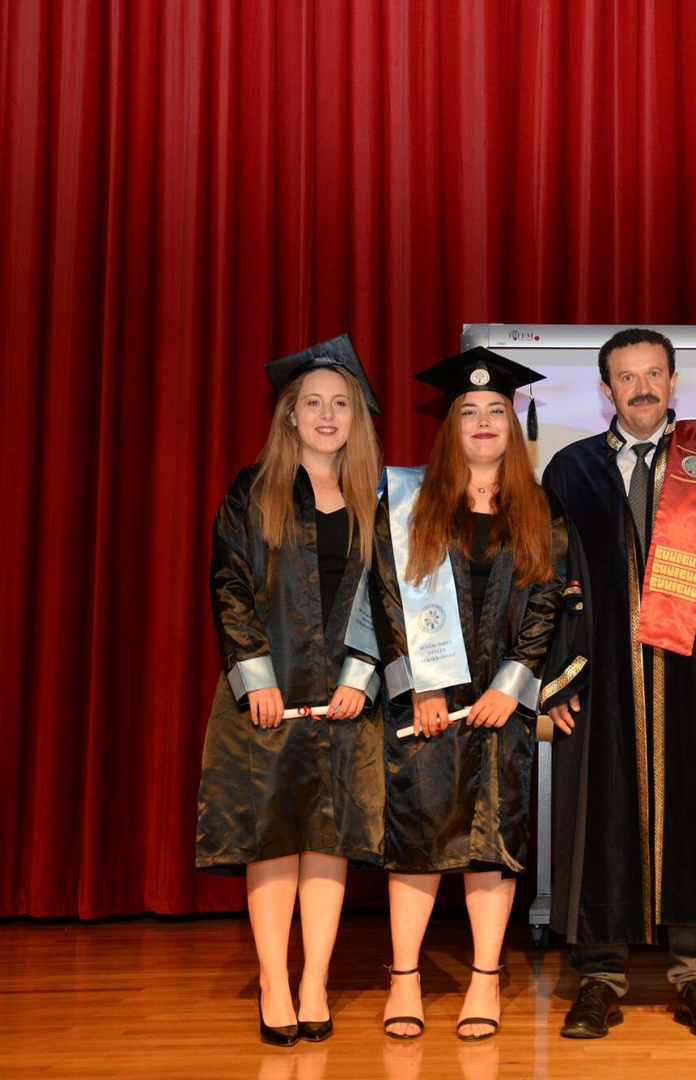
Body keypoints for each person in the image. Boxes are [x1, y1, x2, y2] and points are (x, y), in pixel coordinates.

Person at [539, 327, 696, 1039]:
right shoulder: (571, 469)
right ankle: (599, 977)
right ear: (605, 389)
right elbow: (547, 580)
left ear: (674, 381)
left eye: (653, 374)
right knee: (598, 817)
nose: (641, 388)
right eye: (627, 376)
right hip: (600, 673)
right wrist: (558, 674)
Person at [370, 348, 571, 1043]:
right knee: (418, 835)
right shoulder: (407, 503)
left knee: (493, 836)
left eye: (496, 411)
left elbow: (547, 601)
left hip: (500, 704)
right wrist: (418, 685)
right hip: (427, 702)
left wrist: (513, 685)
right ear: (450, 426)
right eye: (469, 412)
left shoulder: (540, 508)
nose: (484, 422)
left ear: (512, 425)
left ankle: (485, 978)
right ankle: (404, 978)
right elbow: (385, 596)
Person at [196, 334, 386, 1047]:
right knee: (273, 839)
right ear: (290, 414)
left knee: (329, 839)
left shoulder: (379, 501)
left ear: (357, 417)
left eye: (341, 404)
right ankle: (275, 980)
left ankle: (315, 982)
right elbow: (230, 586)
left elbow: (393, 598)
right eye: (313, 403)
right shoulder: (255, 491)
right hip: (268, 700)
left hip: (345, 701)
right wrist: (256, 678)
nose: (328, 416)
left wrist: (361, 676)